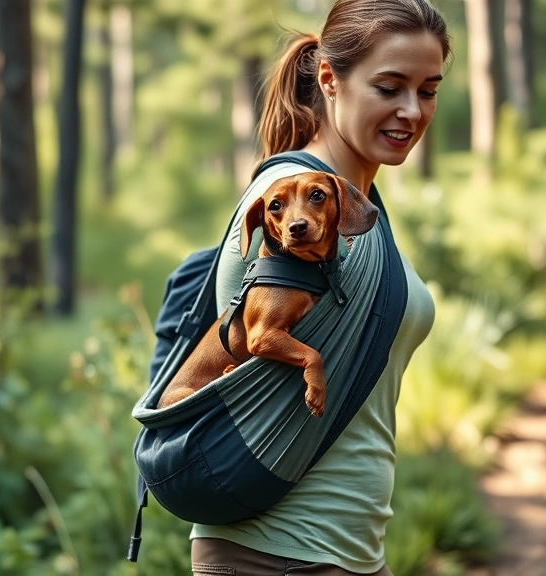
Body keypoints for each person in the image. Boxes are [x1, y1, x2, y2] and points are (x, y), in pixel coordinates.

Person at [189, 1, 451, 575]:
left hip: (350, 548)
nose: (411, 110)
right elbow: (249, 342)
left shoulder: (356, 213)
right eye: (390, 87)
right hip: (270, 549)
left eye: (428, 90)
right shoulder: (284, 203)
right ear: (330, 80)